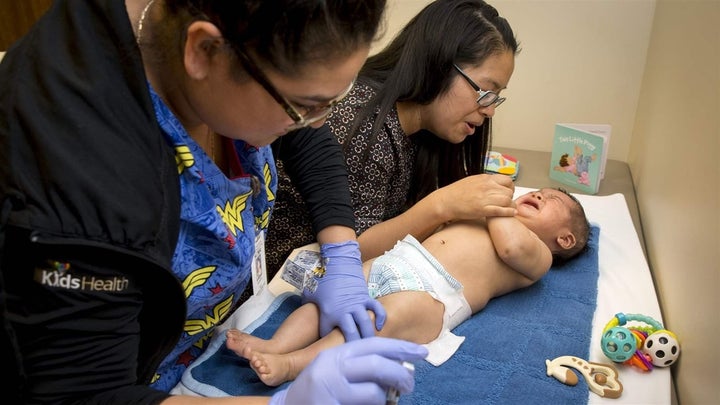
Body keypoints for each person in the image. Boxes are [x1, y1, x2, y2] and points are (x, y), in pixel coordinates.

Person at [0, 0, 428, 403]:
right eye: (305, 107)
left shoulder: (243, 56)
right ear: (204, 51)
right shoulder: (78, 171)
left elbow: (307, 135)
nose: (320, 122)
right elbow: (83, 393)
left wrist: (341, 252)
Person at [227, 187, 591, 386]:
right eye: (541, 191)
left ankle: (293, 364)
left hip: (435, 295)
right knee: (329, 297)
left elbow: (510, 246)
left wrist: (496, 207)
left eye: (552, 201)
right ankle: (275, 344)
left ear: (564, 239)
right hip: (400, 260)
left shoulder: (538, 256)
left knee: (379, 322)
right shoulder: (487, 216)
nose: (540, 194)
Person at [266, 0, 521, 278]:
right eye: (485, 90)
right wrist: (441, 206)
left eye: (496, 96)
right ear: (439, 64)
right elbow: (348, 251)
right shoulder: (360, 122)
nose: (490, 109)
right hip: (284, 278)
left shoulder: (418, 133)